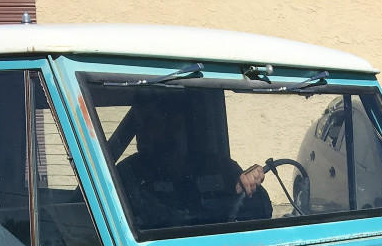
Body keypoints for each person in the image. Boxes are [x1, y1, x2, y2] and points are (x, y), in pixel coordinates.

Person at [115, 96, 271, 231]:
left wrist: (250, 186)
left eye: (151, 122)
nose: (143, 132)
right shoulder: (127, 175)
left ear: (180, 124)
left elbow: (262, 211)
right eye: (139, 125)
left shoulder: (218, 166)